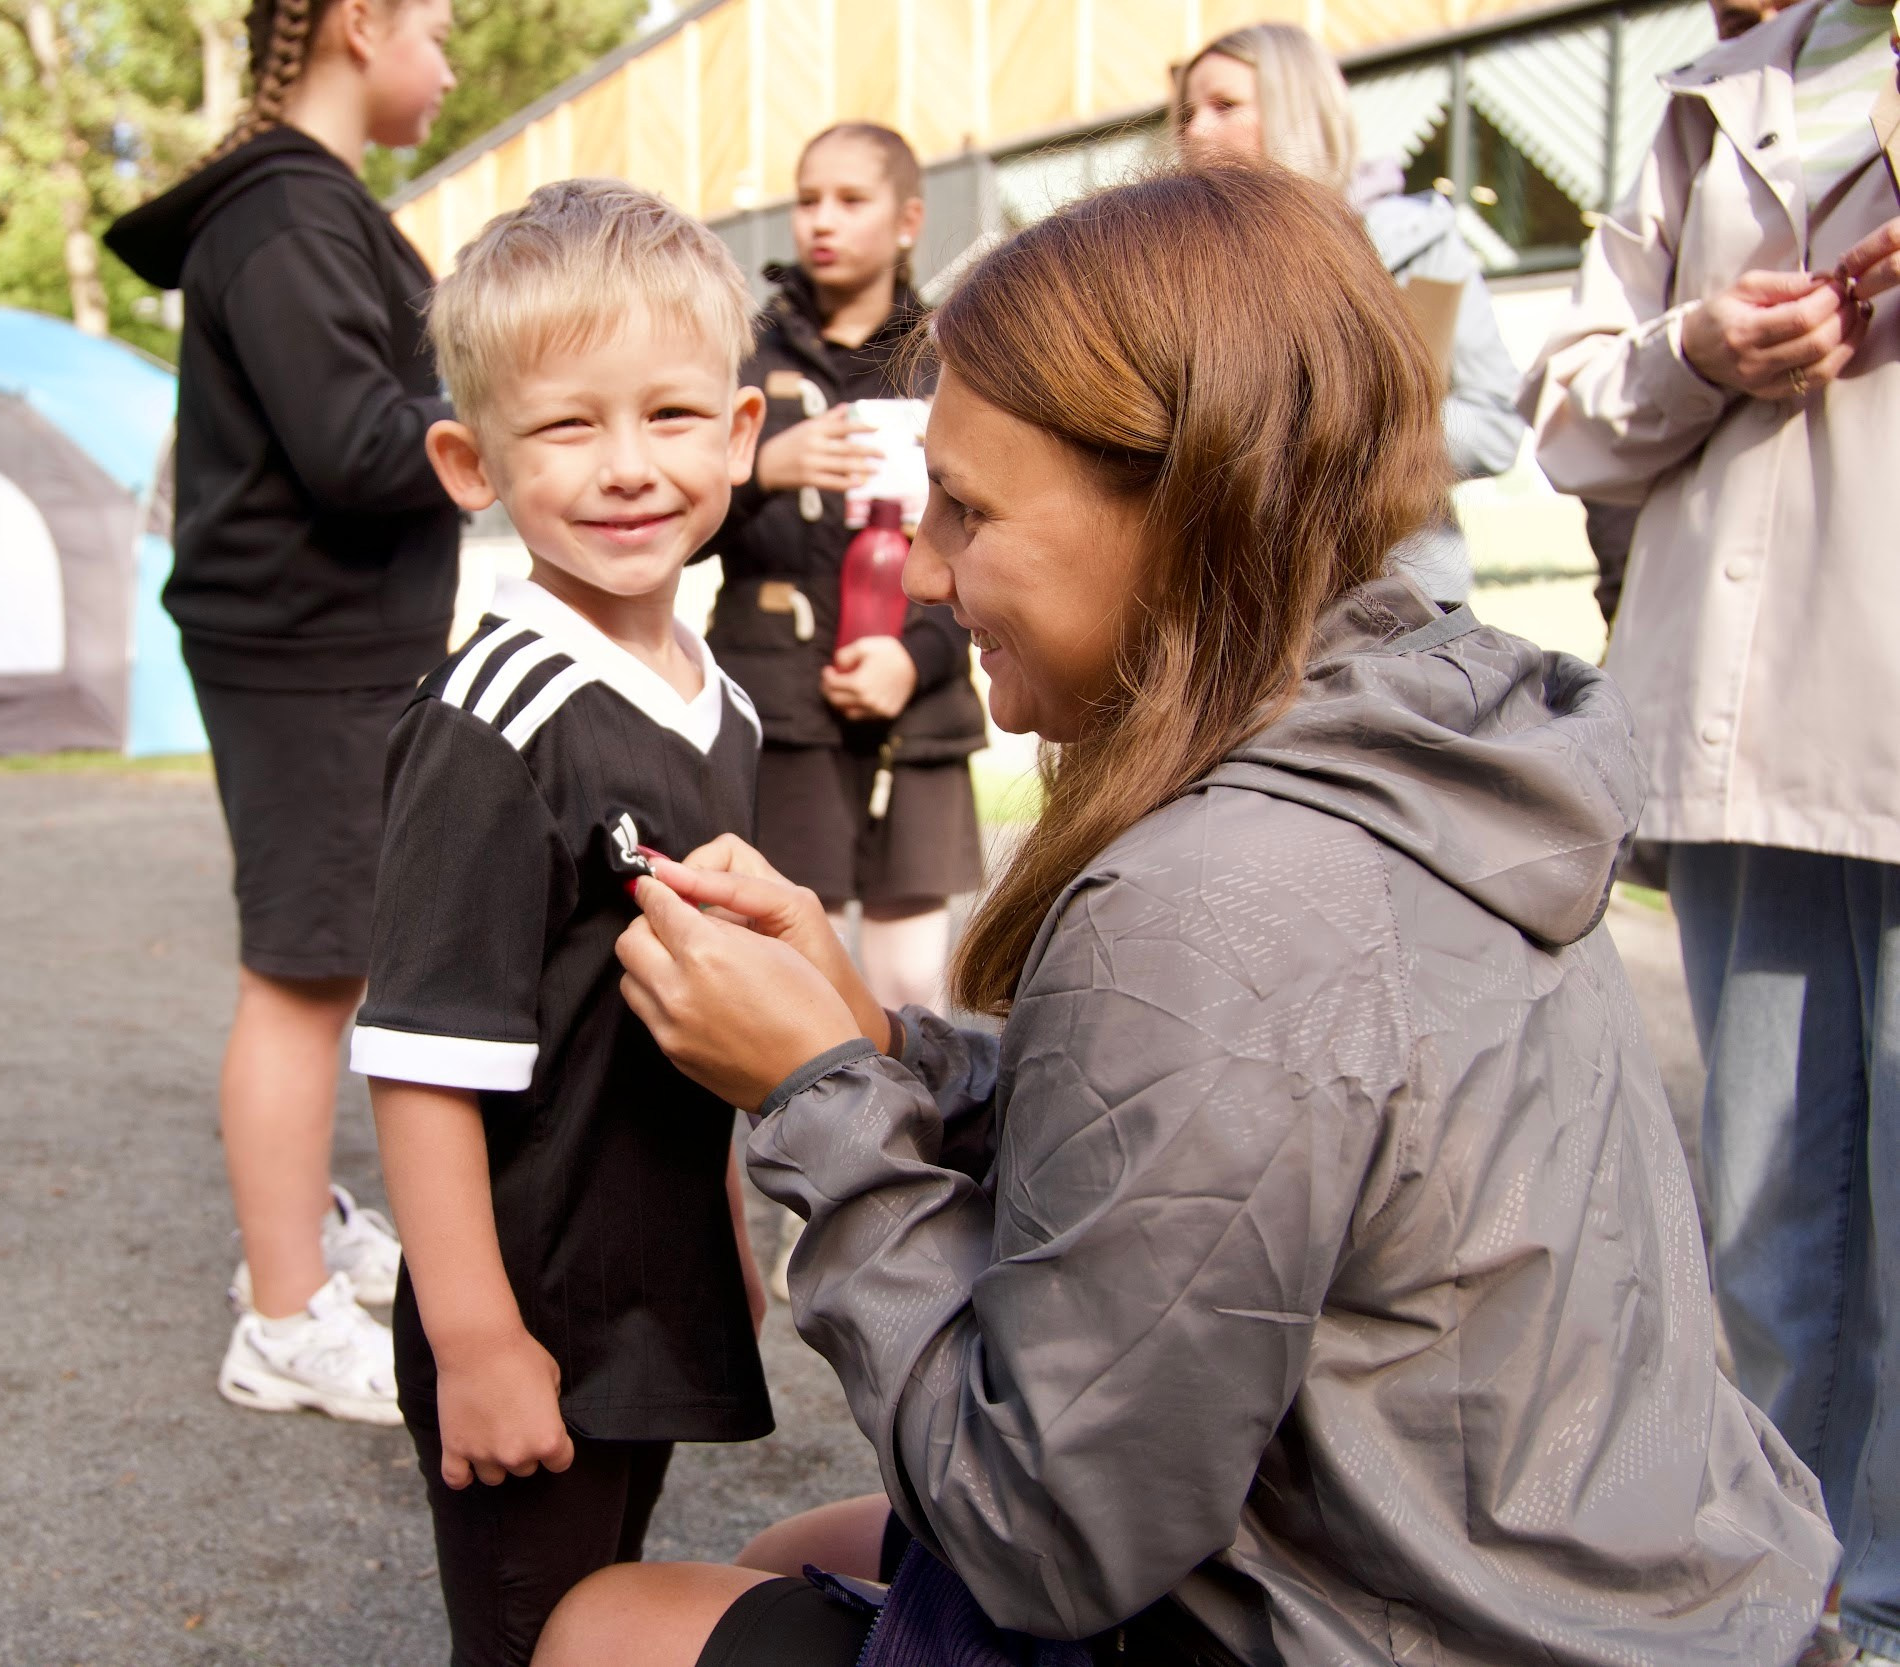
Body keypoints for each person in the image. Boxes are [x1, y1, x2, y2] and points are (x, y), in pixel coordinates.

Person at [535, 163, 1840, 1667]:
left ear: (1180, 498)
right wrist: (877, 1042)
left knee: (604, 1625)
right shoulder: (1422, 752)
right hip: (1625, 1608)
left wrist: (816, 1105)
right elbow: (1216, 1152)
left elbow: (1051, 1531)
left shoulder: (1214, 899)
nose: (933, 573)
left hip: (1403, 1625)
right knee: (799, 1548)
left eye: (966, 506)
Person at [352, 179, 774, 1667]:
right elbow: (419, 1058)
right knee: (539, 1639)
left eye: (668, 416)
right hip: (530, 1303)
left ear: (739, 432)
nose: (625, 468)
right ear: (474, 461)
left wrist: (722, 1234)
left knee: (610, 1606)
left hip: (647, 1285)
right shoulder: (495, 722)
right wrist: (473, 1337)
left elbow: (680, 1001)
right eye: (567, 426)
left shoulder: (716, 696)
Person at [1525, 2, 1900, 1658]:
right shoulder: (1709, 99)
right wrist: (1699, 349)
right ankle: (1790, 1588)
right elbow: (1566, 411)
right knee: (1760, 1209)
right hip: (1751, 731)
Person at [99, 0, 458, 1424]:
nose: (447, 61)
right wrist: (524, 416)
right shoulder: (292, 213)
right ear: (361, 24)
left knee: (330, 959)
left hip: (320, 644)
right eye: (437, 28)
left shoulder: (298, 207)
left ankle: (301, 1234)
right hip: (305, 649)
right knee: (304, 974)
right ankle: (284, 1311)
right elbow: (360, 447)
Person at [703, 122, 986, 1017]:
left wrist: (918, 653)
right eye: (807, 197)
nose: (821, 220)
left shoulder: (958, 356)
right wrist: (764, 469)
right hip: (781, 701)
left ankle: (909, 1155)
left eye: (850, 199)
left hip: (923, 699)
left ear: (908, 219)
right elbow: (672, 525)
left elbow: (986, 528)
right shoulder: (742, 354)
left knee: (911, 987)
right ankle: (777, 1163)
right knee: (789, 976)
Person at [1175, 22, 1525, 605]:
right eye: (1187, 113)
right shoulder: (1179, 271)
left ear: (1299, 111)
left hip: (1393, 604)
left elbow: (1496, 426)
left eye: (1224, 106)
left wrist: (1355, 430)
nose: (1195, 131)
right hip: (1235, 611)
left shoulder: (1415, 246)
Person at [1581, 0, 1796, 628]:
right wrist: (1689, 358)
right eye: (1733, 23)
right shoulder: (1689, 126)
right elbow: (1577, 403)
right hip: (1684, 606)